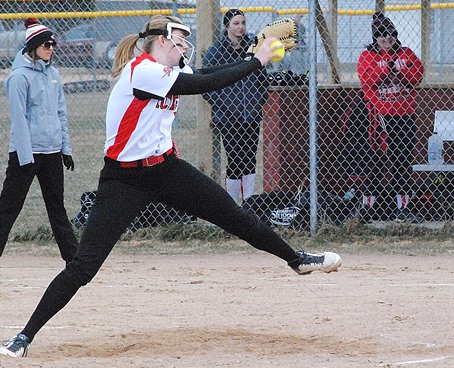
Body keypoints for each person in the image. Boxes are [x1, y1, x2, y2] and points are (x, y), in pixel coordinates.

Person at [0, 15, 342, 358]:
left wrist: (252, 58)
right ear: (161, 41)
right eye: (178, 39)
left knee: (236, 217)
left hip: (166, 170)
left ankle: (296, 260)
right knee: (83, 267)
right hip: (124, 180)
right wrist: (257, 60)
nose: (183, 46)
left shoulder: (169, 73)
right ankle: (24, 337)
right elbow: (205, 86)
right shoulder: (143, 71)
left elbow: (206, 76)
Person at [0, 18, 77, 264]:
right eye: (46, 44)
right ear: (32, 47)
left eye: (53, 44)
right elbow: (19, 120)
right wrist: (25, 157)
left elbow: (60, 113)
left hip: (52, 151)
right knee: (9, 208)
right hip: (27, 153)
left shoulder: (53, 74)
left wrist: (66, 148)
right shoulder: (18, 78)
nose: (51, 48)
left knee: (57, 208)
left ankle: (74, 259)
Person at [357, 12, 425, 223]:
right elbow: (368, 80)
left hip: (404, 116)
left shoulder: (406, 53)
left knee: (402, 161)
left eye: (390, 35)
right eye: (381, 35)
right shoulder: (367, 56)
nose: (387, 39)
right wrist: (388, 67)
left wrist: (399, 69)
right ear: (375, 38)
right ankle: (368, 207)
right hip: (377, 117)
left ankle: (402, 209)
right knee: (374, 161)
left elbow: (417, 76)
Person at [202, 9, 268, 203]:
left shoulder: (253, 49)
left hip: (251, 115)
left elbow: (262, 81)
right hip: (229, 118)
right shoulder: (217, 52)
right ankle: (231, 205)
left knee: (249, 160)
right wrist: (225, 105)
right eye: (236, 23)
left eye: (243, 23)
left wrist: (258, 102)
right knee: (235, 160)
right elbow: (205, 84)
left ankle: (248, 203)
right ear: (227, 26)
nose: (241, 27)